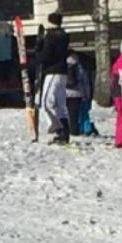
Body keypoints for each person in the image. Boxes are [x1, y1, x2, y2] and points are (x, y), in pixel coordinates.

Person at [36, 12, 71, 144]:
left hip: (53, 71)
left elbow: (46, 55)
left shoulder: (51, 36)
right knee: (61, 104)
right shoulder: (64, 35)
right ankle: (65, 133)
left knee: (46, 102)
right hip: (63, 71)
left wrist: (38, 51)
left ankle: (57, 127)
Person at [65, 51, 100, 137]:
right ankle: (84, 129)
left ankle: (73, 130)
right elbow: (84, 82)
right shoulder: (79, 67)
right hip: (78, 93)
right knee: (82, 113)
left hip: (67, 93)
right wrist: (87, 94)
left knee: (70, 114)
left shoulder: (64, 66)